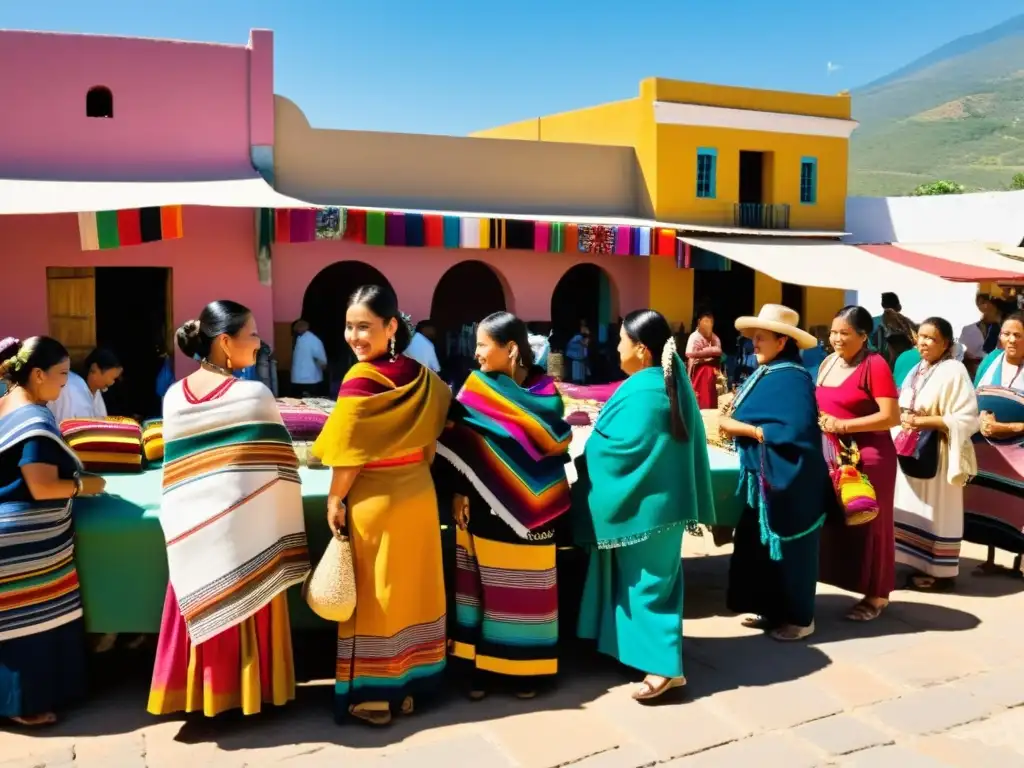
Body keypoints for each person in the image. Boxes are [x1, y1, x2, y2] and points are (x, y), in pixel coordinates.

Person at [148, 301, 310, 718]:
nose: (259, 343)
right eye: (252, 334)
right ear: (224, 342)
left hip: (191, 528)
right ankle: (249, 692)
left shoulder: (173, 396)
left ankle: (197, 696)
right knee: (248, 596)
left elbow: (178, 469)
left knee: (196, 596)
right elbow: (281, 465)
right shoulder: (253, 395)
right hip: (243, 532)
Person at [311, 284, 451, 726]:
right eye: (350, 326)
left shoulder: (361, 380)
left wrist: (335, 498)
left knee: (375, 596)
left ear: (392, 326)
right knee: (412, 590)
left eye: (365, 327)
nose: (355, 336)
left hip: (376, 497)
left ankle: (374, 695)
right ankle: (409, 685)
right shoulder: (421, 376)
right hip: (418, 493)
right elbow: (432, 440)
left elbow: (348, 452)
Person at [571, 309, 715, 702]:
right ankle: (639, 653)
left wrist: (590, 451)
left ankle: (665, 668)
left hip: (646, 507)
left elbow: (613, 449)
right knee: (645, 583)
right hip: (656, 505)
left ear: (642, 349)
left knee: (648, 586)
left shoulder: (644, 391)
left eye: (622, 341)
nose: (617, 348)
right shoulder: (656, 385)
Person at [434, 312, 572, 701]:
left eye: (482, 345)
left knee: (529, 592)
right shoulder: (475, 390)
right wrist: (458, 493)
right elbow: (458, 443)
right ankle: (480, 668)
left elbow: (550, 442)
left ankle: (525, 668)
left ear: (510, 349)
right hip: (482, 505)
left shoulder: (546, 391)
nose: (475, 353)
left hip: (534, 512)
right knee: (485, 589)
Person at [0, 336, 106, 727]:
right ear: (38, 373)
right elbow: (41, 485)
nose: (65, 383)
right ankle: (24, 704)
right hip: (25, 540)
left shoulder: (4, 405)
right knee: (30, 626)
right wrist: (85, 486)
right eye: (61, 375)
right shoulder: (35, 417)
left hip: (6, 529)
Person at [720, 305, 832, 642]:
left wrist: (745, 430)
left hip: (791, 477)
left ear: (782, 341)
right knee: (759, 544)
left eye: (760, 338)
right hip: (764, 478)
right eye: (753, 338)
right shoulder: (771, 371)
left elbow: (793, 431)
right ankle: (770, 607)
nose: (753, 344)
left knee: (794, 551)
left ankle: (800, 618)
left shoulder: (791, 378)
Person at [816, 306, 901, 621]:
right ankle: (848, 581)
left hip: (869, 458)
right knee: (838, 525)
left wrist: (843, 426)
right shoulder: (828, 363)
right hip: (832, 456)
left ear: (864, 336)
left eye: (845, 333)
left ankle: (877, 594)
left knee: (872, 526)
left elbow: (891, 416)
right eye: (834, 332)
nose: (836, 338)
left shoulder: (874, 365)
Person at [893, 317, 979, 591]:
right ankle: (916, 563)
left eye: (932, 338)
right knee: (913, 506)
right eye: (921, 337)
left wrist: (924, 422)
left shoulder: (954, 370)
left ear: (945, 344)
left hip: (940, 453)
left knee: (938, 510)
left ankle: (939, 572)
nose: (924, 343)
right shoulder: (916, 369)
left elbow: (967, 417)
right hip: (912, 448)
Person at [968, 313, 1024, 576]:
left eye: (1018, 335)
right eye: (1006, 334)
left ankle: (1020, 560)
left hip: (1020, 447)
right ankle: (991, 557)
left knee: (1019, 503)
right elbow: (974, 394)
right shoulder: (991, 360)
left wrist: (1008, 428)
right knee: (989, 499)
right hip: (987, 446)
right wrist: (982, 418)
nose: (1011, 340)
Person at [48, 347, 122, 425]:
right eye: (112, 378)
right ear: (95, 368)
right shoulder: (70, 388)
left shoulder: (96, 391)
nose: (112, 383)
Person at [959, 294, 1005, 378]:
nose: (984, 306)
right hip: (972, 373)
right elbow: (961, 353)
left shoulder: (1006, 330)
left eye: (986, 302)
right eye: (980, 303)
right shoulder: (968, 330)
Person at [685, 308, 722, 410]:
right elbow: (690, 353)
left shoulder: (714, 337)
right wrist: (710, 351)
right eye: (705, 321)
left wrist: (707, 351)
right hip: (697, 368)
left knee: (710, 374)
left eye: (710, 322)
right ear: (699, 322)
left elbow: (719, 351)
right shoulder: (694, 337)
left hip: (710, 369)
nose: (708, 324)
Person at [870, 292, 917, 369]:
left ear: (882, 305)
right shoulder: (906, 323)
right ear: (898, 306)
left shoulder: (872, 322)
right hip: (901, 367)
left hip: (879, 367)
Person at [290, 319, 328, 397]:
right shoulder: (308, 339)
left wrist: (322, 363)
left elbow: (318, 357)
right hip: (307, 378)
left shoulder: (309, 340)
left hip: (304, 378)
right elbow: (320, 358)